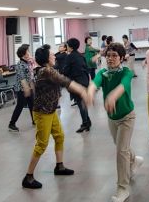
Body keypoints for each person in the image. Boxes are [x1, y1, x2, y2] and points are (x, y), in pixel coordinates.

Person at [22, 45, 90, 189]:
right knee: (42, 144)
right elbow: (65, 81)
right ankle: (28, 177)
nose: (54, 56)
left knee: (59, 136)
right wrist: (83, 91)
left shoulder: (44, 70)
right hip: (42, 112)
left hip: (50, 110)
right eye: (52, 55)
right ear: (46, 58)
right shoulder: (46, 71)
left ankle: (59, 166)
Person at [87, 42, 142, 202]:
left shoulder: (126, 72)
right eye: (108, 56)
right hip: (112, 118)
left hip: (127, 117)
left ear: (122, 58)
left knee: (120, 151)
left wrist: (112, 96)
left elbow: (123, 86)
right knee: (121, 146)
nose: (110, 58)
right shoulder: (103, 73)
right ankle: (135, 160)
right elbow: (95, 82)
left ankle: (123, 188)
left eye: (114, 56)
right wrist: (90, 91)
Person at [64, 38, 92, 132]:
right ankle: (87, 121)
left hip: (77, 83)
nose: (66, 47)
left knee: (80, 104)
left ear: (71, 47)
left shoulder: (70, 57)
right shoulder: (80, 55)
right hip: (84, 81)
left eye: (67, 45)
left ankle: (85, 123)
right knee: (82, 103)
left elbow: (66, 71)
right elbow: (86, 68)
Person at [8, 44, 34, 132]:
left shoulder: (27, 63)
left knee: (32, 104)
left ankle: (34, 120)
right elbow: (22, 78)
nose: (29, 53)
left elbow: (30, 76)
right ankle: (11, 124)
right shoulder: (20, 65)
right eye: (27, 51)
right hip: (22, 89)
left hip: (29, 88)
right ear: (23, 54)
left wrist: (32, 87)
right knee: (20, 106)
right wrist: (26, 89)